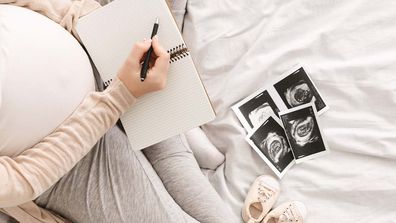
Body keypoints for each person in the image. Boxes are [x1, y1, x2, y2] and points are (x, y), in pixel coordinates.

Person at [0, 1, 237, 222]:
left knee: (169, 153)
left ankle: (178, 141)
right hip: (66, 163)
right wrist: (120, 96)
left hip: (89, 52)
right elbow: (21, 179)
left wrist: (94, 27)